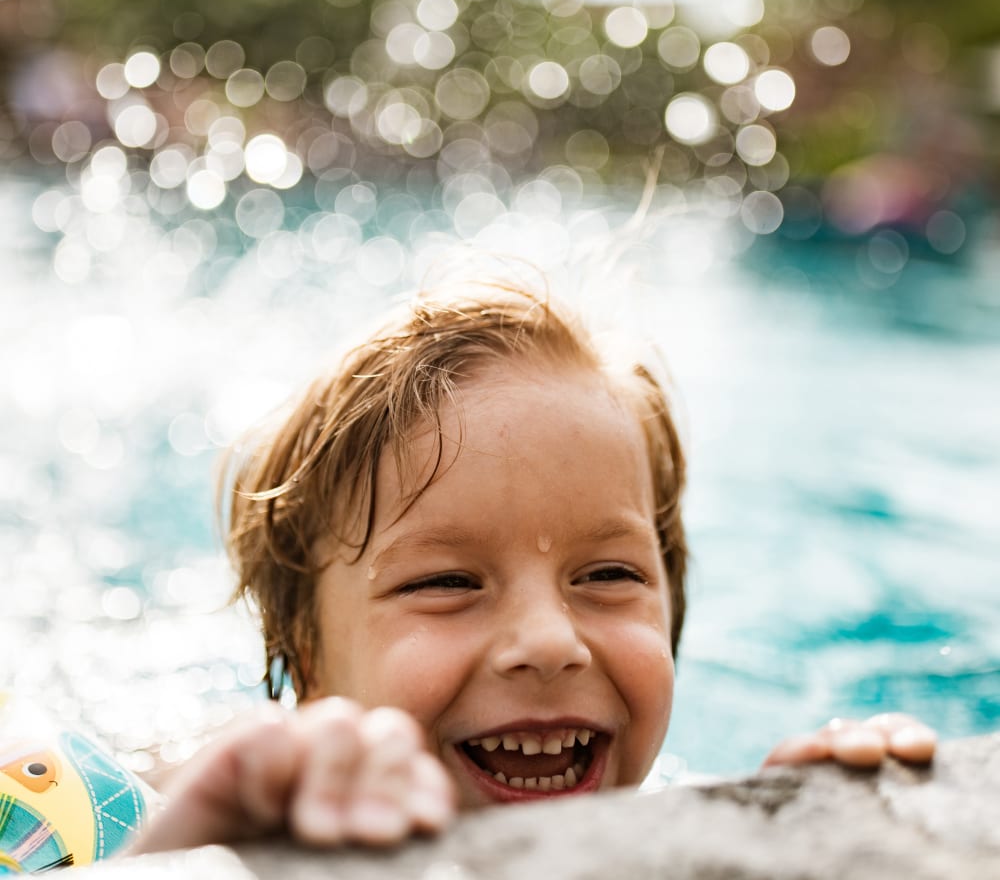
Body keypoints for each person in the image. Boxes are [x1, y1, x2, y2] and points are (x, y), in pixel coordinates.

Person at [125, 276, 936, 856]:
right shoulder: (213, 821)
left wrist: (803, 832)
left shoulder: (674, 834)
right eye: (445, 582)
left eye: (609, 576)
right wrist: (190, 854)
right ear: (308, 663)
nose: (550, 642)